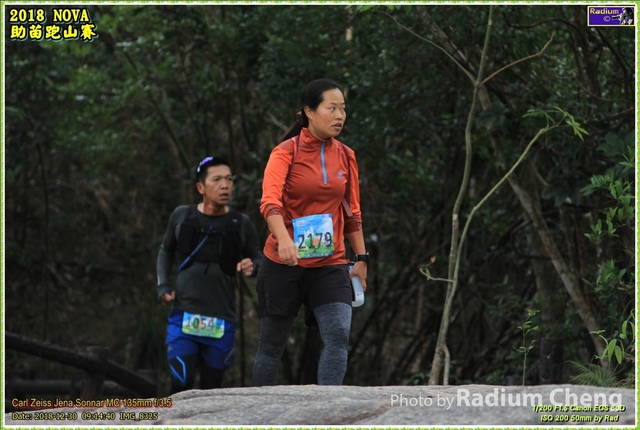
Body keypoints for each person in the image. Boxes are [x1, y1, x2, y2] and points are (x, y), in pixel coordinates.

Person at [253, 78, 369, 386]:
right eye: (332, 108)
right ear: (309, 111)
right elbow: (270, 204)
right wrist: (284, 240)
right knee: (272, 346)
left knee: (338, 335)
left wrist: (362, 258)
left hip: (330, 263)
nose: (339, 116)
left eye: (343, 109)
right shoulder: (285, 153)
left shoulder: (346, 155)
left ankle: (328, 405)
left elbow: (352, 212)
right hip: (283, 263)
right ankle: (261, 408)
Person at [157, 156, 263, 393]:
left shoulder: (240, 223)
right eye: (217, 180)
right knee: (180, 385)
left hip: (221, 320)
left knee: (211, 389)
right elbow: (165, 251)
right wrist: (163, 286)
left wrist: (254, 267)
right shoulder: (182, 216)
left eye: (229, 179)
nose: (225, 185)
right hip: (184, 315)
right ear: (200, 187)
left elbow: (259, 258)